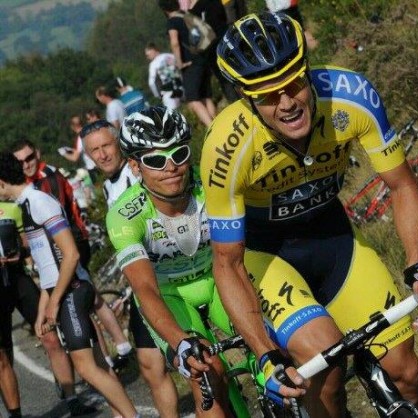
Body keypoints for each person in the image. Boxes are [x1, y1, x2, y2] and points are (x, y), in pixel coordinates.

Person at [202, 12, 418, 417]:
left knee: (406, 373)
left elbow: (403, 185)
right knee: (327, 369)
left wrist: (417, 266)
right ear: (245, 97)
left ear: (306, 70)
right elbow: (227, 262)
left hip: (333, 240)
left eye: (293, 84)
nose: (286, 104)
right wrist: (267, 357)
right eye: (267, 96)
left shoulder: (350, 96)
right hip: (266, 256)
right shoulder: (226, 148)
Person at [106, 106, 246, 417]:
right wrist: (181, 344)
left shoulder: (211, 185)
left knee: (266, 342)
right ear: (134, 166)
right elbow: (146, 290)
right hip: (168, 295)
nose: (171, 167)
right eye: (156, 160)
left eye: (179, 154)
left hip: (220, 279)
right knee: (207, 373)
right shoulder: (124, 216)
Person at [0, 153, 140, 418]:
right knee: (99, 363)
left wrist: (53, 304)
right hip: (61, 291)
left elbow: (71, 255)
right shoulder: (27, 204)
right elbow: (46, 266)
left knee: (86, 369)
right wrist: (44, 308)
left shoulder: (39, 202)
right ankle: (122, 414)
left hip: (72, 291)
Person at [81, 119, 180, 418]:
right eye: (94, 150)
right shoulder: (108, 185)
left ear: (119, 144)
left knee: (188, 360)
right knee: (150, 366)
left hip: (172, 276)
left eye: (106, 146)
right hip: (142, 284)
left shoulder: (138, 172)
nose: (102, 155)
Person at [0, 200, 97, 417]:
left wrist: (20, 251)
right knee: (3, 357)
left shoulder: (11, 206)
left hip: (17, 277)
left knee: (50, 334)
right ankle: (15, 414)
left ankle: (72, 399)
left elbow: (29, 242)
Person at [158, 0, 216, 127]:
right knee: (206, 96)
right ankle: (218, 124)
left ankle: (212, 128)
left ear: (164, 9)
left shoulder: (172, 21)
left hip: (190, 64)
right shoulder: (186, 15)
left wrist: (180, 63)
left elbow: (175, 43)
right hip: (202, 58)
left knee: (193, 99)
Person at [189, 0, 240, 104]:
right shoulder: (215, 1)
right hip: (225, 36)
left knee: (223, 78)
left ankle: (235, 103)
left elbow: (195, 34)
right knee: (237, 67)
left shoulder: (194, 11)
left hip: (211, 47)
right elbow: (223, 16)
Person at [58, 115, 99, 183]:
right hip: (98, 163)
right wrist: (72, 150)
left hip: (92, 167)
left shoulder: (80, 137)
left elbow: (75, 158)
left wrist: (63, 153)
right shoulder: (89, 131)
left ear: (72, 127)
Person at [145, 42, 183, 111]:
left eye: (148, 55)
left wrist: (157, 95)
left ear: (153, 50)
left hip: (168, 92)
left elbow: (151, 83)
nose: (147, 57)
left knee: (173, 115)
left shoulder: (153, 64)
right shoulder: (170, 55)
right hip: (181, 86)